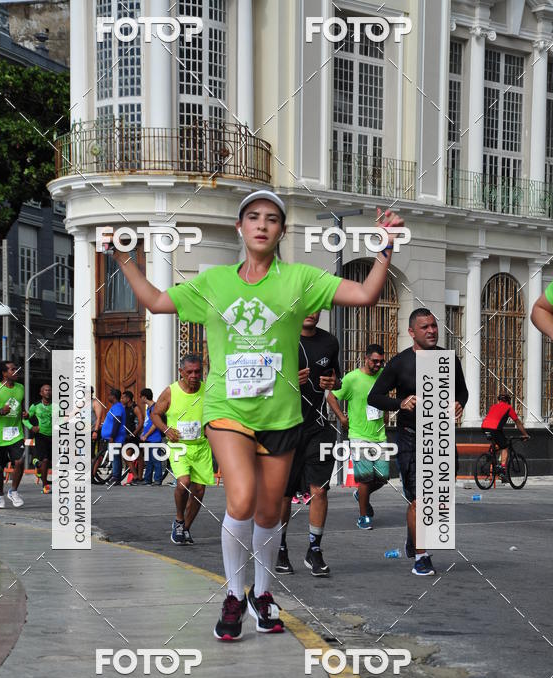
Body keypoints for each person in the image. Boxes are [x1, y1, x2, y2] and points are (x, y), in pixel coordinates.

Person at [107, 189, 404, 640]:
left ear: (281, 231)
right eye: (253, 217)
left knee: (269, 513)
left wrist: (383, 247)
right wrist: (122, 256)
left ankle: (262, 594)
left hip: (282, 414)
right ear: (240, 228)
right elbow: (155, 301)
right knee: (241, 499)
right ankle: (233, 593)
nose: (262, 224)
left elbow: (363, 293)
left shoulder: (300, 280)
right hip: (228, 410)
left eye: (271, 218)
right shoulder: (214, 282)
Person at [367, 309, 468, 577]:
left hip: (442, 438)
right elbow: (374, 397)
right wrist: (400, 403)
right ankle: (421, 557)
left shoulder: (448, 359)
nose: (431, 331)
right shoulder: (400, 363)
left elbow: (463, 391)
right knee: (421, 500)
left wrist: (460, 404)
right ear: (412, 332)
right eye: (424, 327)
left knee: (438, 501)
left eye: (434, 326)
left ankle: (414, 541)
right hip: (411, 438)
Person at [275, 312, 341, 577]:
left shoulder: (329, 342)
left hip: (318, 427)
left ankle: (314, 549)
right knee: (284, 493)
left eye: (316, 307)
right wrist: (288, 381)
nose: (311, 312)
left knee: (320, 491)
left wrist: (333, 382)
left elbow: (338, 377)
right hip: (285, 426)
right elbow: (262, 382)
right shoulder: (280, 339)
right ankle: (279, 548)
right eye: (306, 306)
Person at [150, 355, 214, 544]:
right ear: (181, 372)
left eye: (197, 371)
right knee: (183, 483)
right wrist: (166, 429)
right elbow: (155, 414)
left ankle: (185, 528)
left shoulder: (206, 390)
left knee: (200, 491)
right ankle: (179, 519)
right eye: (190, 372)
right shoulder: (171, 392)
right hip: (179, 446)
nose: (194, 376)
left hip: (201, 447)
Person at [328, 344, 389, 530]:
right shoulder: (352, 378)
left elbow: (383, 397)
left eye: (381, 361)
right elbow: (331, 396)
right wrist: (341, 417)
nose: (378, 365)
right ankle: (363, 516)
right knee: (365, 478)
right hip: (358, 434)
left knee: (383, 476)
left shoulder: (382, 376)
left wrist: (386, 412)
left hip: (379, 434)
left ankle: (361, 495)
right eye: (374, 361)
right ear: (366, 358)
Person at [0, 361, 29, 509]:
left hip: (16, 433)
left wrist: (24, 413)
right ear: (4, 373)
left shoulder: (20, 388)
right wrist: (0, 411)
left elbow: (20, 406)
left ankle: (13, 491)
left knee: (20, 461)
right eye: (12, 369)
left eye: (16, 369)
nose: (16, 371)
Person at [481, 392, 529, 475]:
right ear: (508, 401)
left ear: (499, 400)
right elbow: (517, 422)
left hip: (484, 427)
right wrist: (525, 434)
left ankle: (492, 455)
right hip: (495, 429)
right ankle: (503, 468)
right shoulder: (508, 408)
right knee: (505, 447)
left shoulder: (493, 406)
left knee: (497, 442)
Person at [23, 384, 53, 493]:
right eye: (46, 390)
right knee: (45, 460)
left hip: (52, 436)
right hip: (40, 435)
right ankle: (45, 485)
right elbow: (25, 419)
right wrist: (32, 427)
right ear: (41, 393)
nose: (48, 392)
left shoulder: (56, 406)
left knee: (47, 461)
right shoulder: (35, 406)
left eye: (50, 390)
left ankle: (37, 464)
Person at [100, 388, 126, 485]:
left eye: (109, 395)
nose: (108, 397)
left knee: (115, 458)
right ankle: (115, 477)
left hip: (116, 438)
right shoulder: (115, 407)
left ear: (113, 396)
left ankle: (116, 478)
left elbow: (117, 422)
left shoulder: (118, 407)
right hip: (112, 437)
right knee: (115, 457)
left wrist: (112, 436)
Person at [140, 388, 164, 486]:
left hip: (154, 438)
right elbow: (148, 423)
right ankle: (148, 479)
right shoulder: (149, 408)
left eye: (140, 397)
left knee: (155, 459)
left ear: (144, 397)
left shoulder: (155, 408)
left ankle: (158, 479)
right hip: (148, 439)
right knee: (149, 460)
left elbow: (155, 424)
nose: (140, 399)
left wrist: (146, 435)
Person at [121, 390, 143, 485]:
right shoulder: (124, 408)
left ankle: (138, 477)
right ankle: (137, 477)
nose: (121, 399)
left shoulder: (135, 407)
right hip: (126, 436)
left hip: (134, 436)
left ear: (128, 398)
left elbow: (141, 421)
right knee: (129, 456)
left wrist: (134, 433)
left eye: (123, 398)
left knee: (138, 456)